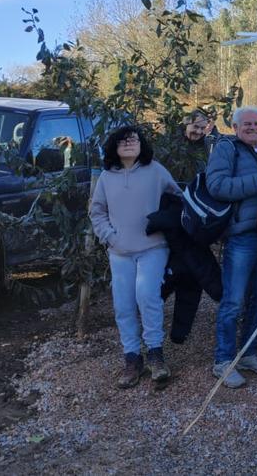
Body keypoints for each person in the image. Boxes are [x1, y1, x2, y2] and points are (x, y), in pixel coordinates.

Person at [89, 125, 182, 388]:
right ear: (114, 147)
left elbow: (178, 200)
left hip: (153, 248)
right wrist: (109, 236)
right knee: (123, 305)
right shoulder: (107, 177)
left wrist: (165, 222)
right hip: (119, 252)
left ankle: (155, 354)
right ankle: (132, 358)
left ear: (142, 145)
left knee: (148, 296)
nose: (130, 143)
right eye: (123, 140)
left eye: (134, 139)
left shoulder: (156, 171)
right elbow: (97, 212)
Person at [208, 107, 257, 388]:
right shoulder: (227, 149)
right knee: (234, 301)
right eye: (247, 124)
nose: (253, 128)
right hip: (242, 235)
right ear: (236, 126)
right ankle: (223, 360)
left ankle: (249, 352)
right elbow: (218, 186)